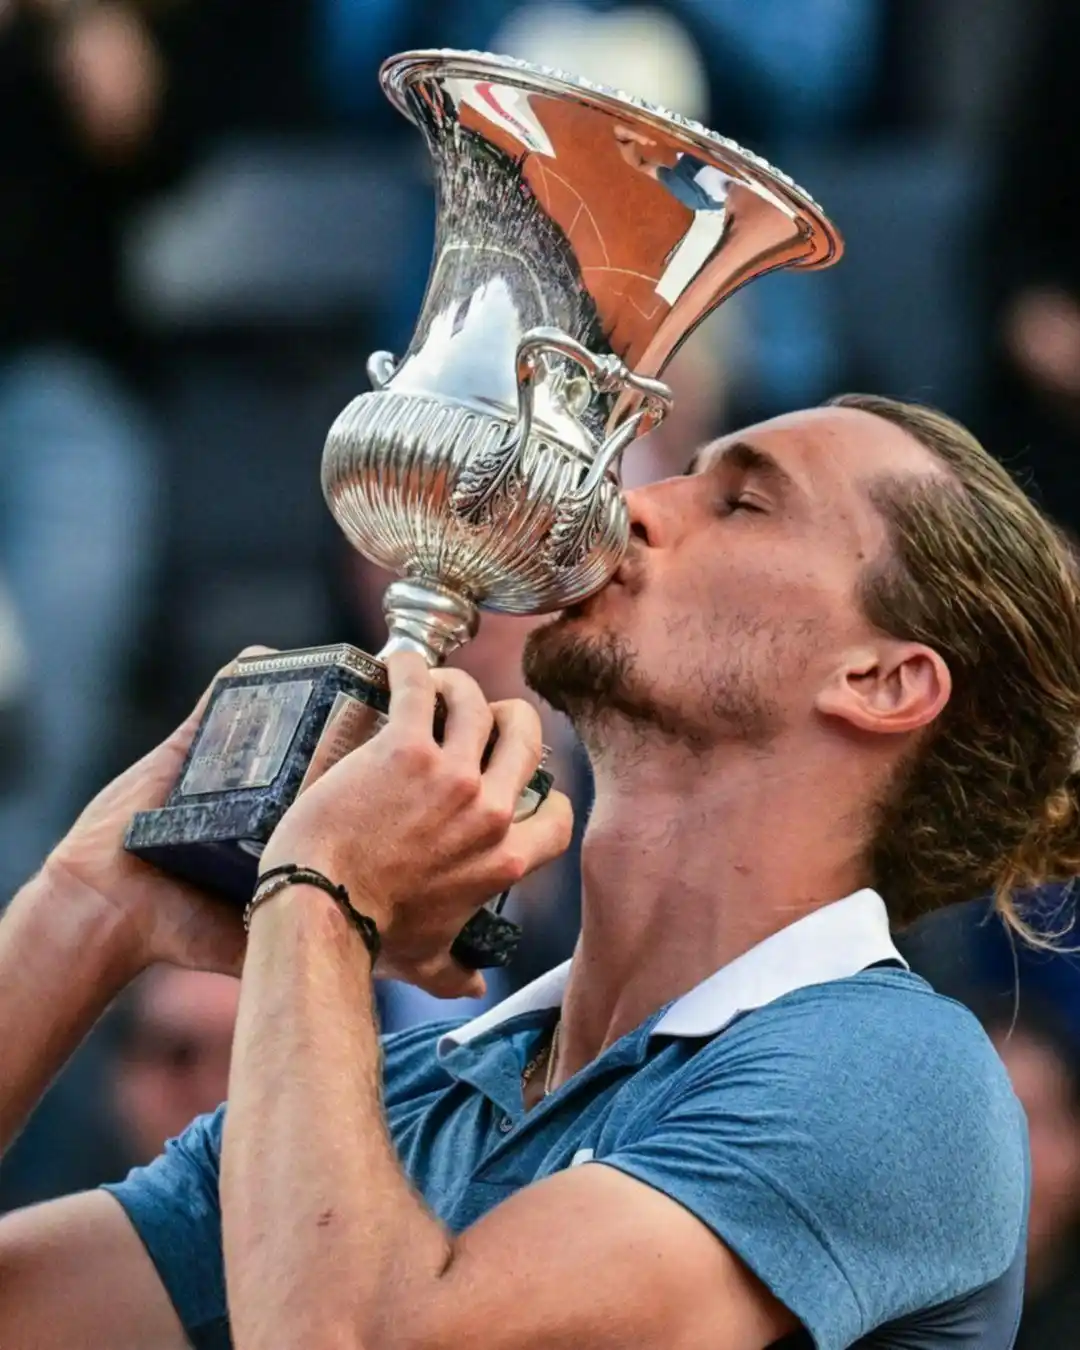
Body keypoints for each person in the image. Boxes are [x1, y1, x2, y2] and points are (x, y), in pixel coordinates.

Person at [2, 393, 1074, 1347]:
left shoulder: (896, 1075)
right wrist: (84, 912)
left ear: (885, 681)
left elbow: (354, 1336)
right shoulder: (411, 1096)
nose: (633, 509)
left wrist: (323, 892)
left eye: (743, 503)